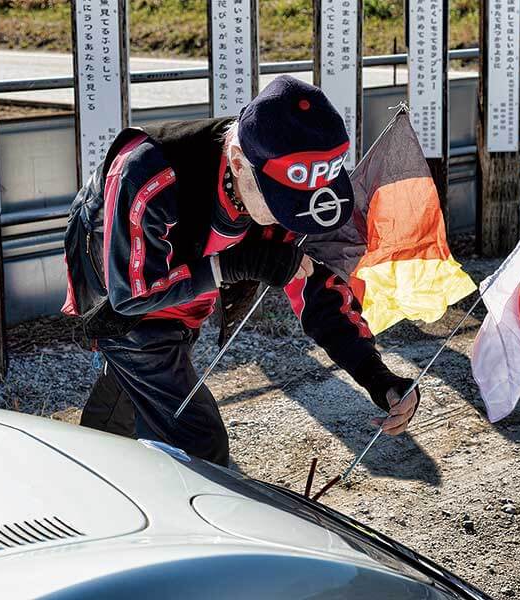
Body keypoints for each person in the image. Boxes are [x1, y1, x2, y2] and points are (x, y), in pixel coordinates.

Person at [61, 75, 419, 466]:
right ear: (237, 163)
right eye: (283, 203)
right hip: (118, 279)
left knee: (137, 387)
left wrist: (375, 374)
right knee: (197, 441)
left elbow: (316, 286)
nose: (293, 218)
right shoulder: (151, 172)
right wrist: (233, 264)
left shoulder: (282, 170)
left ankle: (90, 473)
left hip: (186, 285)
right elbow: (131, 295)